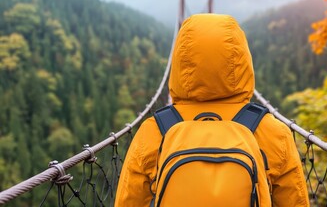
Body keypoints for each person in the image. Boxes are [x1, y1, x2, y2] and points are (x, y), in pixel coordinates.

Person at [115, 14, 309, 207]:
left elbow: (127, 202)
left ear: (179, 59)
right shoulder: (273, 132)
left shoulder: (153, 132)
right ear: (242, 58)